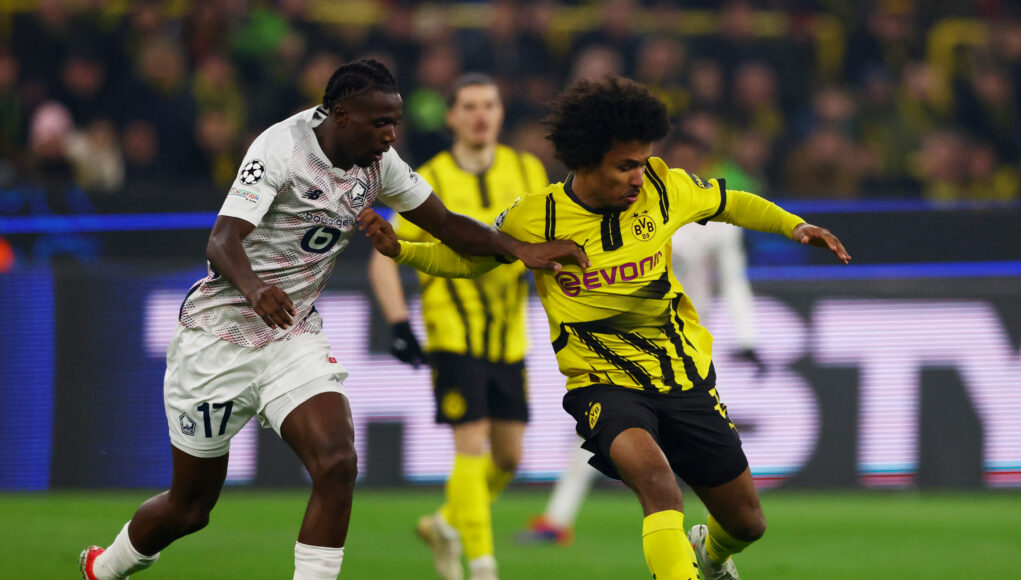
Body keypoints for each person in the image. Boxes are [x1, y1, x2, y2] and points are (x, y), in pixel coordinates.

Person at [78, 58, 584, 580]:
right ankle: (104, 568)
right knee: (190, 510)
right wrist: (255, 289)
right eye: (379, 123)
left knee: (338, 463)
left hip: (290, 337)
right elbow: (221, 241)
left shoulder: (380, 163)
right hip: (216, 340)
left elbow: (449, 226)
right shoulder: (280, 149)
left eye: (395, 123)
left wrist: (521, 248)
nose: (390, 136)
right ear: (341, 115)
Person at [359, 76, 851, 580]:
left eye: (642, 162)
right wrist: (403, 250)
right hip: (604, 384)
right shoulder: (538, 216)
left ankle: (710, 552)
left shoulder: (664, 188)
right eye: (625, 166)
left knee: (747, 523)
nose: (639, 176)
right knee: (659, 486)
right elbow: (468, 260)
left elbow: (731, 202)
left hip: (682, 378)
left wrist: (794, 225)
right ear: (587, 160)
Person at [519, 133, 769, 548]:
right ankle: (557, 520)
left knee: (722, 494)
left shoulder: (706, 222)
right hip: (617, 345)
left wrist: (748, 338)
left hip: (680, 349)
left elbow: (733, 279)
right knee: (605, 436)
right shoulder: (644, 206)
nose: (685, 164)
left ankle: (708, 543)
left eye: (694, 158)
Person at [367, 73, 549, 580]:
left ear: (500, 112)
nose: (480, 114)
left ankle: (447, 523)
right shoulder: (428, 178)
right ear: (451, 116)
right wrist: (400, 325)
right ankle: (483, 565)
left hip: (510, 336)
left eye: (488, 104)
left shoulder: (526, 168)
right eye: (469, 106)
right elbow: (384, 259)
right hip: (452, 333)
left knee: (509, 457)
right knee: (470, 445)